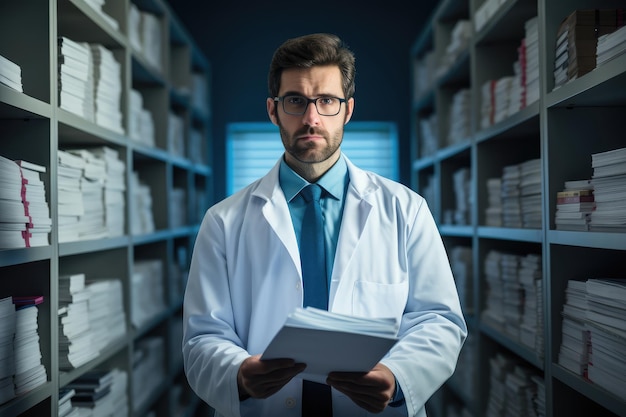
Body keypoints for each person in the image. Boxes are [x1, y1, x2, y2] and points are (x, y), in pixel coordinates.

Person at [182, 33, 467, 417]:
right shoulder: (223, 221)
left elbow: (439, 320)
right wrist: (238, 374)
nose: (311, 118)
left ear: (347, 110)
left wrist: (397, 376)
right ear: (273, 110)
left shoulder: (405, 209)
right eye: (295, 101)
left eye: (327, 101)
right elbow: (203, 337)